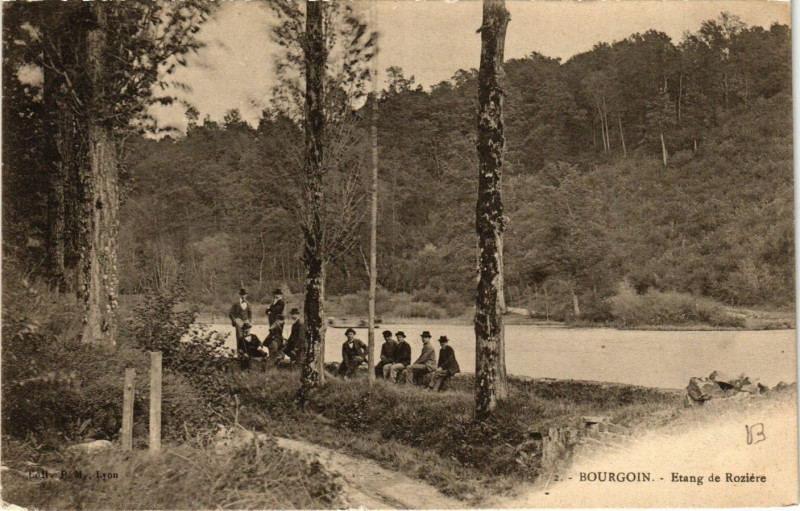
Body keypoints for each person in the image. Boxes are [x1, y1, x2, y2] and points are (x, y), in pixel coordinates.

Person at [229, 288, 252, 355]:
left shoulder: (248, 304)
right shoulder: (235, 303)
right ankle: (240, 352)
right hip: (238, 320)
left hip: (246, 321)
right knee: (239, 337)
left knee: (247, 337)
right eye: (242, 295)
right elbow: (231, 313)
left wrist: (249, 320)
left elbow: (250, 313)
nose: (243, 296)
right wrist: (234, 320)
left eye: (245, 295)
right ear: (240, 295)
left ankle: (246, 352)